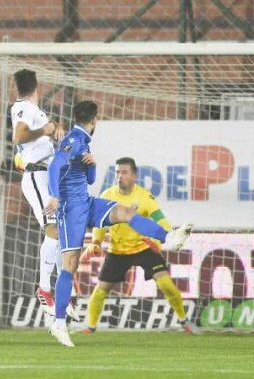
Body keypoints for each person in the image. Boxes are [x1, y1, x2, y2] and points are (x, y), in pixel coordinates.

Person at [44, 100, 193, 347]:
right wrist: (54, 195)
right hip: (70, 209)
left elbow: (88, 178)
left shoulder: (84, 142)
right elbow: (55, 165)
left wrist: (92, 164)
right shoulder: (73, 139)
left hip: (87, 203)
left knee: (125, 212)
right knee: (69, 265)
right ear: (95, 120)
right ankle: (59, 325)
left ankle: (170, 238)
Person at [83, 157, 199, 335]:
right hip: (117, 251)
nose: (119, 176)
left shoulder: (144, 196)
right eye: (117, 172)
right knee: (101, 290)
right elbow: (100, 223)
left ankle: (185, 322)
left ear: (134, 175)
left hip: (143, 247)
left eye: (124, 172)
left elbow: (159, 218)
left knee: (166, 284)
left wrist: (169, 236)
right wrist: (96, 242)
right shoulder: (107, 195)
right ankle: (90, 328)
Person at [10, 69, 79, 321]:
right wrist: (45, 130)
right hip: (37, 176)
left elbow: (47, 126)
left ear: (15, 85)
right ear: (37, 85)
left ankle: (64, 292)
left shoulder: (35, 111)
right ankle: (44, 288)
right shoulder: (21, 108)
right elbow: (18, 135)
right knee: (54, 231)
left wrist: (55, 127)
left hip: (48, 175)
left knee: (62, 235)